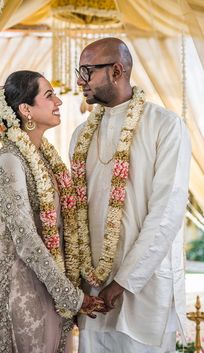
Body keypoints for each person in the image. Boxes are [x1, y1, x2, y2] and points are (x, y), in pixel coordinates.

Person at [0, 70, 106, 353]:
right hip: (20, 288)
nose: (59, 101)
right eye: (49, 95)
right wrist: (71, 296)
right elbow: (26, 238)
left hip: (48, 282)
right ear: (25, 109)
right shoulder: (10, 160)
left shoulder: (45, 156)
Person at [70, 38, 191, 353]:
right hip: (93, 295)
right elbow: (74, 216)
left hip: (143, 290)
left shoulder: (165, 126)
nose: (80, 80)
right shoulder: (81, 136)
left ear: (116, 71)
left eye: (87, 71)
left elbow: (167, 210)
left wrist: (123, 282)